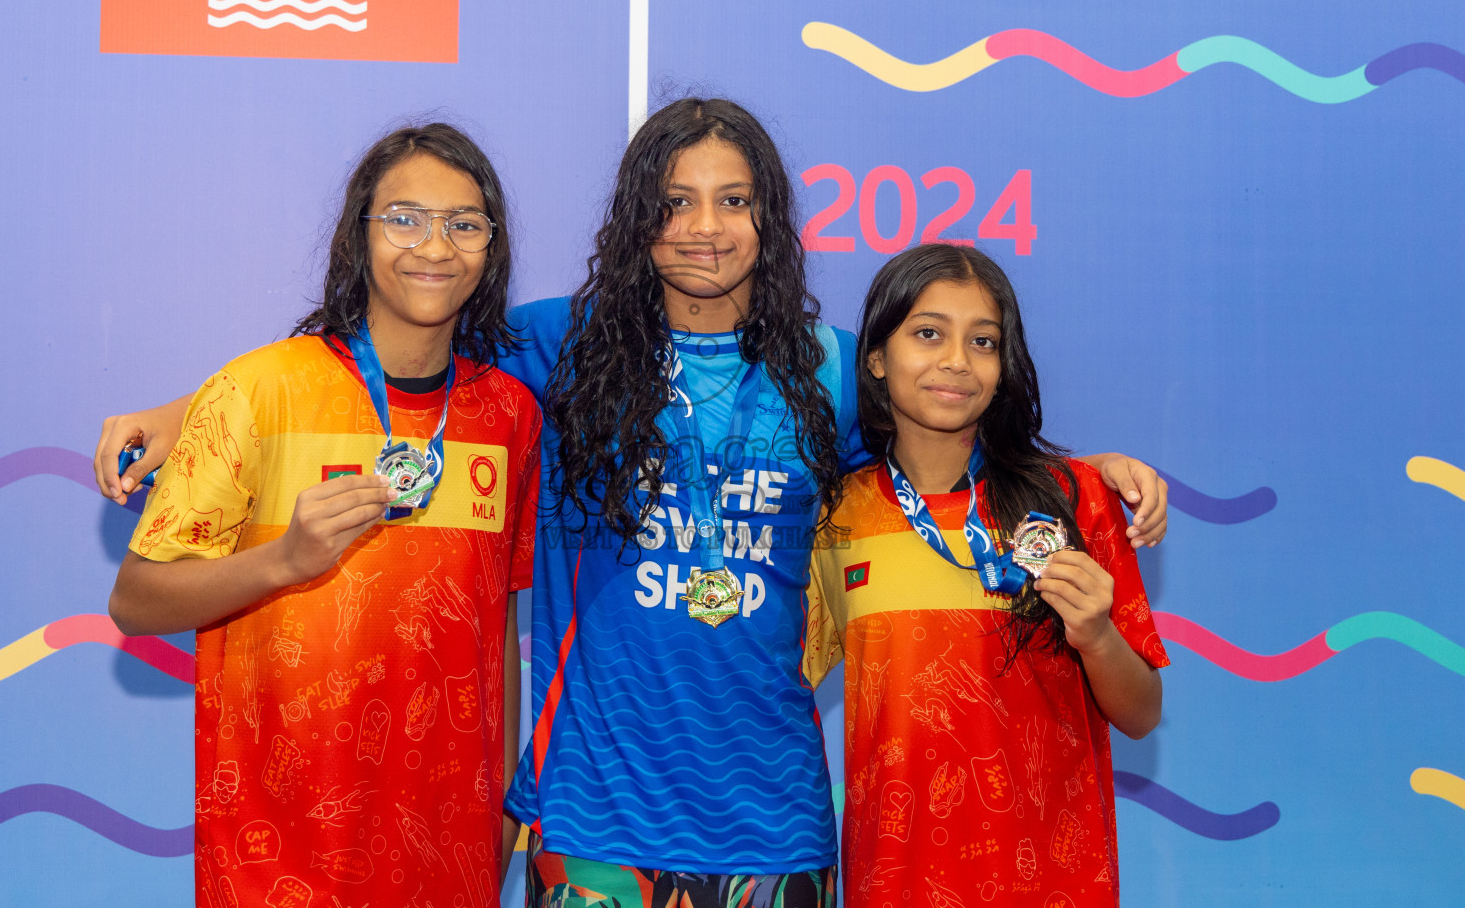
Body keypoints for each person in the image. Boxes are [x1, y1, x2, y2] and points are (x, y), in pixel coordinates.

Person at [94, 98, 1167, 907]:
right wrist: (180, 405)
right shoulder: (561, 345)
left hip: (774, 824)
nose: (705, 227)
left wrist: (1086, 464)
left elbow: (949, 418)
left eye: (734, 200)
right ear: (637, 219)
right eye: (676, 202)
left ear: (770, 219)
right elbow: (384, 348)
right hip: (595, 818)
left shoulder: (832, 369)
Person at [106, 123, 541, 908]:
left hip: (449, 853)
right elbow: (135, 600)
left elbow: (496, 628)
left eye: (464, 224)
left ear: (491, 248)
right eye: (404, 218)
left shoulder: (509, 413)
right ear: (359, 236)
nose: (434, 247)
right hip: (276, 854)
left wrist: (501, 803)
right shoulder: (258, 390)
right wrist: (282, 562)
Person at [805, 243, 1168, 907]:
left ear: (1005, 368)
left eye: (983, 341)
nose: (956, 362)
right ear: (877, 359)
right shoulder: (836, 516)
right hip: (895, 883)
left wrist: (1095, 635)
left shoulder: (1076, 497)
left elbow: (1143, 713)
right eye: (927, 334)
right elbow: (774, 686)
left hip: (1055, 885)